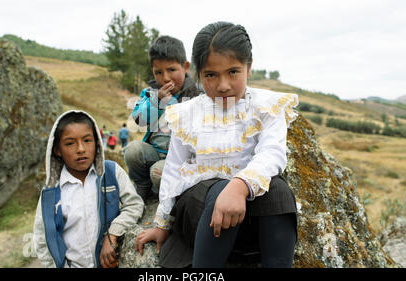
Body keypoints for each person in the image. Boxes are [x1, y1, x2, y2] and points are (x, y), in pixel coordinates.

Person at [135, 22, 299, 268]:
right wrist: (162, 224)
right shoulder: (187, 113)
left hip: (248, 217)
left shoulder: (266, 107)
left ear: (249, 67)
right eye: (211, 75)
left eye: (233, 71)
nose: (223, 85)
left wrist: (241, 186)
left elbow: (272, 154)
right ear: (199, 73)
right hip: (200, 213)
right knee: (219, 190)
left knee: (278, 191)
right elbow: (173, 168)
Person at [33, 110, 144, 268]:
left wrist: (113, 233)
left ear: (97, 142)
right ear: (57, 150)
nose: (81, 149)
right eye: (70, 143)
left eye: (87, 140)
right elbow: (42, 239)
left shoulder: (111, 173)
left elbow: (134, 204)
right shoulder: (51, 193)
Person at [124, 35, 200, 200]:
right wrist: (157, 101)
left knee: (157, 172)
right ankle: (143, 185)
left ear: (185, 67)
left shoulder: (195, 96)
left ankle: (168, 195)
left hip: (180, 159)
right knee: (133, 150)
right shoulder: (150, 93)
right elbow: (140, 120)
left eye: (171, 70)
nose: (165, 78)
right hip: (153, 153)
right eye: (158, 72)